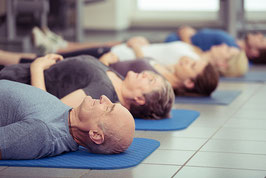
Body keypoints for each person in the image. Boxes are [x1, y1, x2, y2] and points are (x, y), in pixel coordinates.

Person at [0, 54, 174, 120]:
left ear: (139, 99)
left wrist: (36, 67)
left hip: (13, 84)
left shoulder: (102, 94)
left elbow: (47, 112)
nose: (145, 73)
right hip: (15, 72)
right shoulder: (119, 80)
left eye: (150, 81)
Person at [0, 80, 135, 160]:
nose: (104, 97)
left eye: (108, 108)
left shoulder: (43, 133)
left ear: (95, 134)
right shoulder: (65, 112)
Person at [165, 26, 266, 64]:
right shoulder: (231, 44)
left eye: (261, 40)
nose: (259, 35)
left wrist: (186, 47)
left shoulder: (229, 45)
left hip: (174, 47)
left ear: (254, 52)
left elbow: (185, 31)